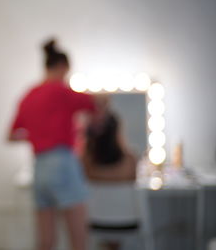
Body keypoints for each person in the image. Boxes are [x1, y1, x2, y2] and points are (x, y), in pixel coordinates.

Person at [8, 39, 96, 250]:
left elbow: (11, 135)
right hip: (63, 163)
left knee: (45, 241)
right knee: (78, 238)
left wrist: (37, 136)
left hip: (39, 167)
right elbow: (96, 104)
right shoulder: (61, 91)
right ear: (63, 67)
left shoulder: (29, 95)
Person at [83, 107, 138, 250]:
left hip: (96, 222)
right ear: (118, 132)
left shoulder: (86, 162)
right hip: (126, 222)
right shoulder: (130, 161)